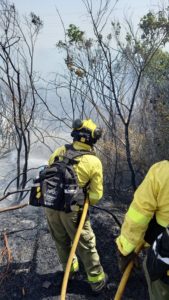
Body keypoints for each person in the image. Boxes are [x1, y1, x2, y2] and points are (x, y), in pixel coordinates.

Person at [45, 118, 108, 294]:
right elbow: (96, 196)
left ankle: (70, 270)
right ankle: (97, 281)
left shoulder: (60, 150)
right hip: (73, 211)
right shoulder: (93, 162)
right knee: (86, 245)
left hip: (50, 206)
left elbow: (49, 170)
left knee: (61, 240)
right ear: (92, 139)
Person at [116, 160, 169, 300]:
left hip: (165, 264)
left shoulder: (162, 171)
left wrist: (126, 251)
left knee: (151, 269)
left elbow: (138, 216)